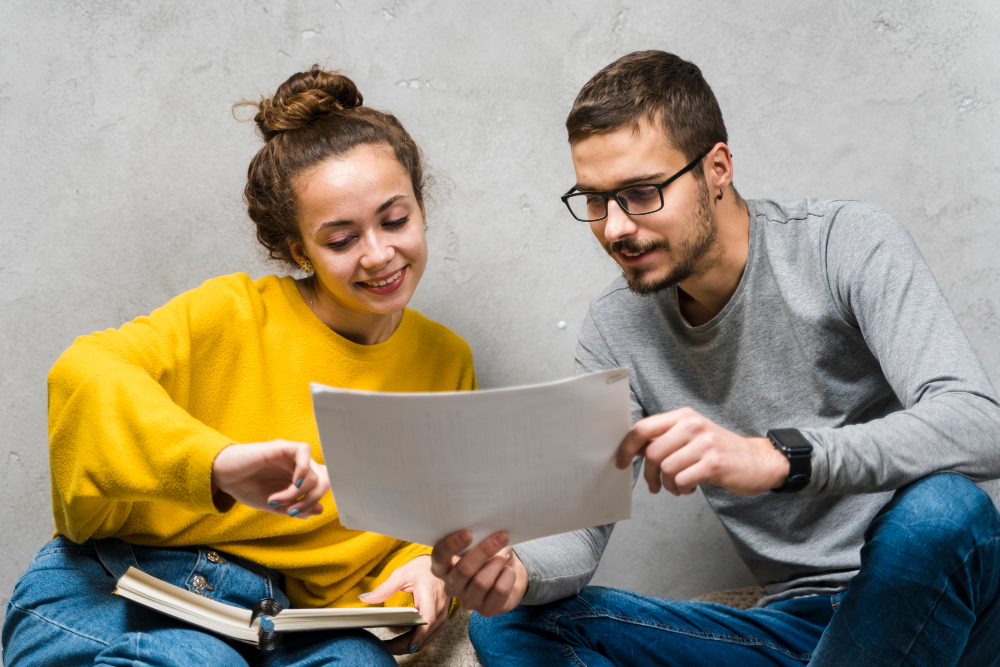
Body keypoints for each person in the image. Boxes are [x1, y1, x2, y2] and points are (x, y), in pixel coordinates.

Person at [431, 50, 1000, 666]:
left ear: (718, 169)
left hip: (943, 603)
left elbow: (978, 422)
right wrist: (517, 568)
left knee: (943, 511)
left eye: (641, 193)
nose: (615, 228)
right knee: (509, 627)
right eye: (594, 201)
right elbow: (580, 523)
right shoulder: (616, 326)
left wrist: (778, 456)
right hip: (801, 629)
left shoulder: (844, 243)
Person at [1, 66, 475, 666]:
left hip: (288, 623)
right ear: (299, 248)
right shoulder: (230, 313)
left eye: (395, 219)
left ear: (421, 208)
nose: (379, 254)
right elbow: (83, 372)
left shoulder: (446, 361)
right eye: (340, 239)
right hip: (121, 585)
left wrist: (426, 574)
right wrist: (215, 465)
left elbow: (431, 522)